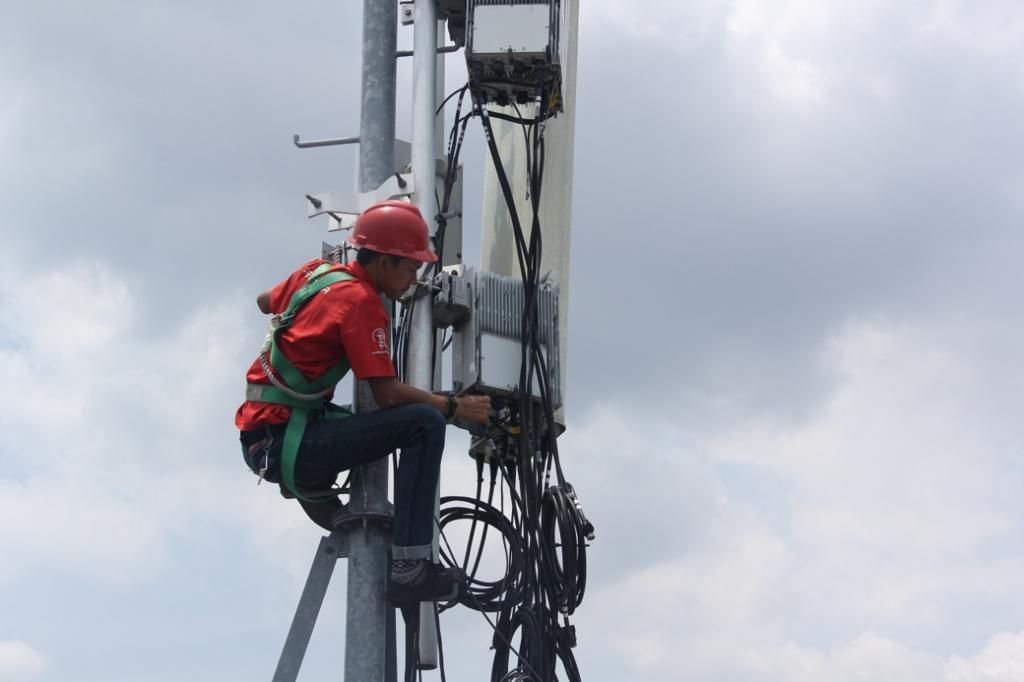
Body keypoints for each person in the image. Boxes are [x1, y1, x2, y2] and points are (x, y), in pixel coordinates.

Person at [234, 199, 491, 604]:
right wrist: (455, 407)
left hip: (264, 435)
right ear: (384, 262)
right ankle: (410, 567)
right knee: (424, 423)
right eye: (410, 269)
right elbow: (386, 395)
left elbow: (265, 301)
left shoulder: (317, 272)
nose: (413, 280)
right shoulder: (361, 304)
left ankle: (324, 495)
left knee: (390, 415)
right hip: (288, 442)